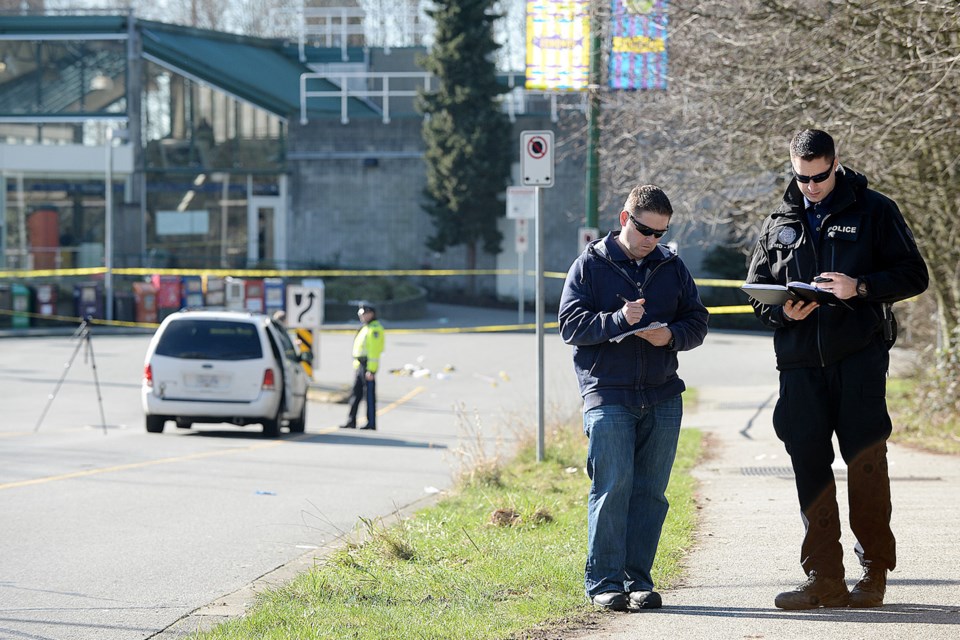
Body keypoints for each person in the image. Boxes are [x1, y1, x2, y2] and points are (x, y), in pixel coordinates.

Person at [746, 129, 929, 610]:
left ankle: (873, 572)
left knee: (866, 466)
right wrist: (781, 312)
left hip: (859, 360)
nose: (811, 186)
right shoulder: (778, 221)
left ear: (836, 163)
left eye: (820, 176)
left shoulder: (876, 210)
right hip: (800, 364)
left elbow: (914, 275)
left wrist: (860, 287)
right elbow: (758, 292)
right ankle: (823, 577)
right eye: (802, 176)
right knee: (809, 466)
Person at [558, 184, 709, 611]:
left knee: (650, 492)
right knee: (613, 486)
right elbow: (570, 326)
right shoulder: (589, 265)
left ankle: (637, 581)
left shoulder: (671, 267)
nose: (652, 241)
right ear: (625, 219)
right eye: (646, 230)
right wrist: (618, 320)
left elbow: (697, 321)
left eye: (661, 233)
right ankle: (604, 583)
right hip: (607, 393)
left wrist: (671, 336)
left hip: (662, 395)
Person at [340, 302, 385, 431]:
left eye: (364, 314)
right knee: (355, 394)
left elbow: (374, 352)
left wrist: (371, 370)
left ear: (371, 314)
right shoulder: (365, 327)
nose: (362, 317)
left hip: (367, 366)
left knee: (369, 397)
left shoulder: (374, 329)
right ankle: (351, 421)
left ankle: (371, 423)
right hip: (359, 366)